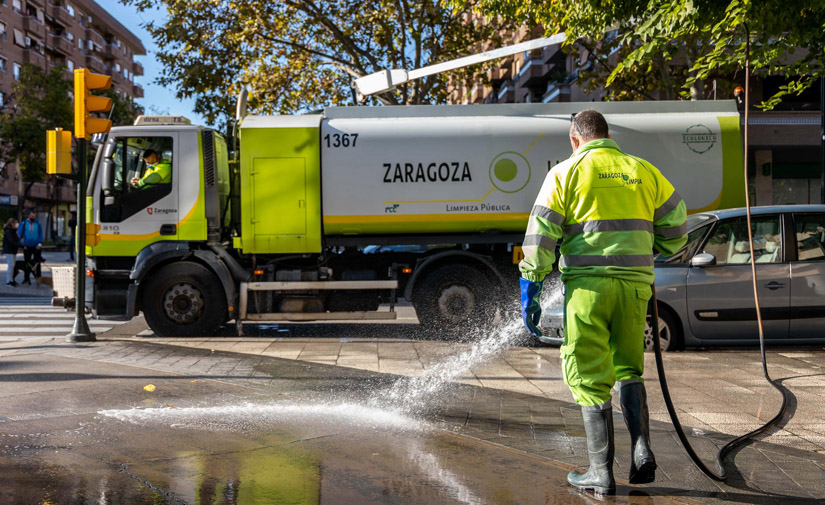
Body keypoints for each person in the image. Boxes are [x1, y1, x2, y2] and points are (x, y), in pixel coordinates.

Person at [519, 110, 687, 495]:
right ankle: (642, 448)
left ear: (576, 139)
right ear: (607, 135)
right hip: (635, 289)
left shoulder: (565, 172)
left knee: (589, 377)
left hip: (587, 291)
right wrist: (651, 249)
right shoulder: (643, 170)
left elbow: (541, 235)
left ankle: (600, 473)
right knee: (629, 368)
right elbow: (677, 230)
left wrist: (530, 288)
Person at [17, 211, 44, 285]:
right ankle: (26, 278)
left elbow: (40, 233)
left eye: (34, 217)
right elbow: (19, 234)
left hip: (36, 246)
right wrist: (21, 245)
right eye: (32, 216)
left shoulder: (37, 223)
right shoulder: (24, 223)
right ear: (28, 216)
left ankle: (39, 279)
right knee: (27, 263)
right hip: (27, 246)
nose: (33, 218)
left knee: (38, 263)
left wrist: (39, 243)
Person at [3, 218, 20, 287]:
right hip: (9, 250)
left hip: (12, 250)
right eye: (15, 223)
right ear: (11, 223)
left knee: (12, 266)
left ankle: (11, 280)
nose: (16, 224)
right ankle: (8, 281)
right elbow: (11, 241)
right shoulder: (8, 231)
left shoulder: (12, 230)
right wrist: (20, 246)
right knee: (11, 265)